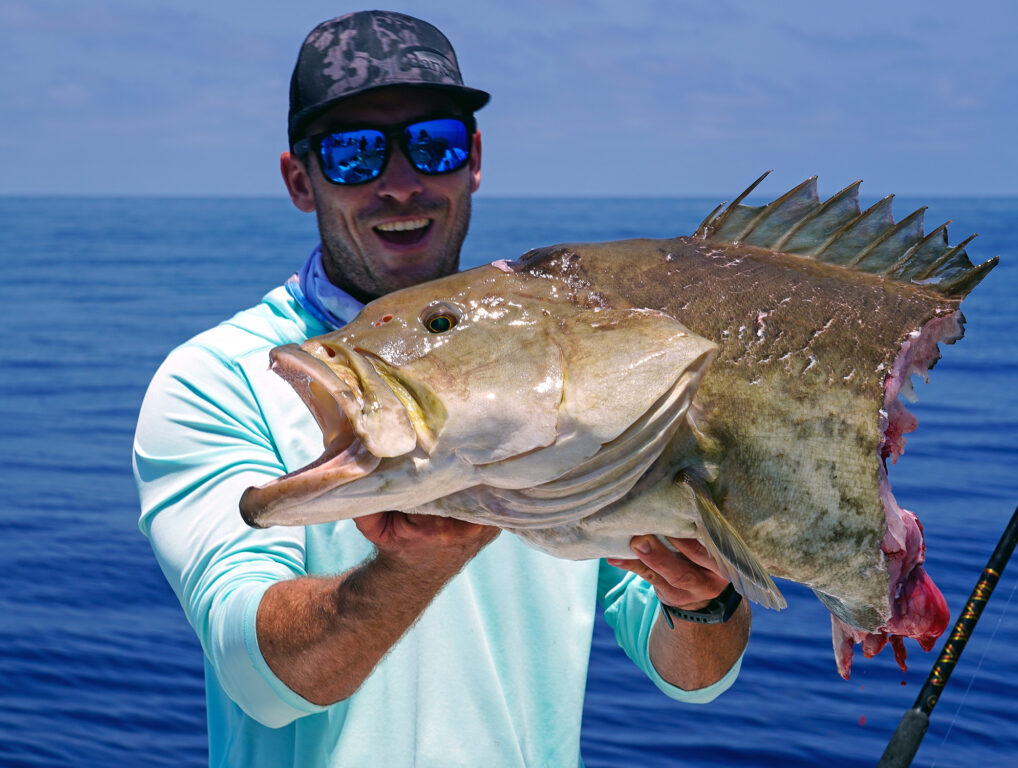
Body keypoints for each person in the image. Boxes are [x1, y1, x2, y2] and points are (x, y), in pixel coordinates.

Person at [133, 11, 751, 768]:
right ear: (301, 181)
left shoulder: (570, 367)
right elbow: (258, 677)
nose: (401, 184)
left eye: (435, 144)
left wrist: (706, 600)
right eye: (355, 154)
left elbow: (689, 677)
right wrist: (415, 563)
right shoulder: (216, 380)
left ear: (474, 161)